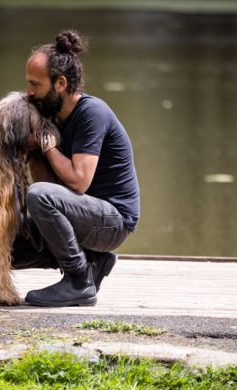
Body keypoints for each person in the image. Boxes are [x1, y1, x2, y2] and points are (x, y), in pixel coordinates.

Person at [12, 29, 140, 307]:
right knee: (8, 248)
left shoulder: (91, 114)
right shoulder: (52, 115)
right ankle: (94, 259)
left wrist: (47, 146)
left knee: (38, 195)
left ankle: (79, 281)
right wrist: (34, 152)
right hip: (84, 214)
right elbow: (54, 188)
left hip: (113, 221)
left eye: (35, 84)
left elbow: (79, 182)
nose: (29, 92)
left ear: (60, 83)